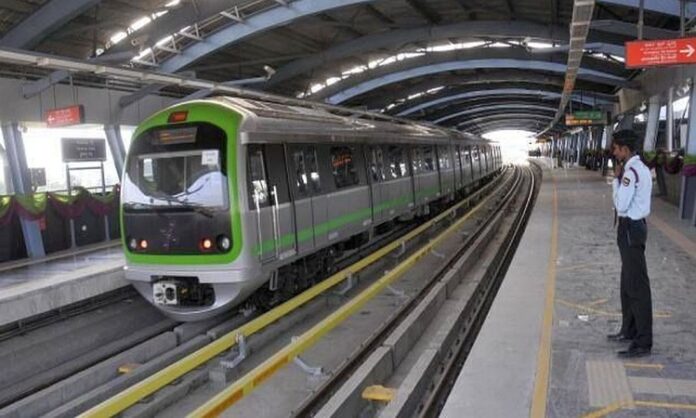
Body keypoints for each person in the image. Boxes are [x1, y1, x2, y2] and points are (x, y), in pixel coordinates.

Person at [606, 130, 653, 358]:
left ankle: (643, 341)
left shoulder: (630, 172)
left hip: (630, 229)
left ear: (625, 149)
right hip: (633, 228)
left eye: (616, 148)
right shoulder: (639, 168)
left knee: (636, 287)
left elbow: (621, 205)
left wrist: (615, 182)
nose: (614, 152)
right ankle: (629, 329)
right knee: (627, 284)